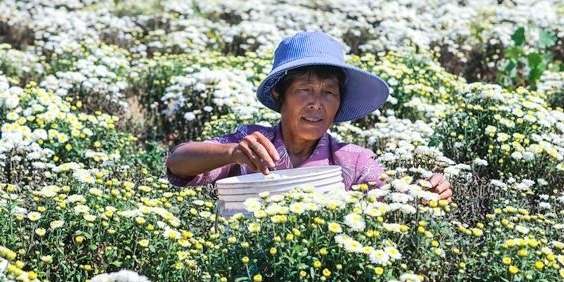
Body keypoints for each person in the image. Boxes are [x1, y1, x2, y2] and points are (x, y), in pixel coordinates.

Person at [166, 31, 454, 203]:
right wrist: (231, 152)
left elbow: (395, 196)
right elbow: (178, 163)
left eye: (329, 93)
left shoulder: (353, 160)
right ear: (280, 94)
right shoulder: (252, 143)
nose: (317, 103)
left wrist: (430, 189)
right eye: (305, 90)